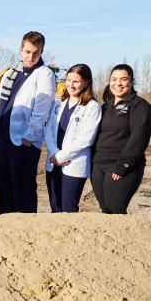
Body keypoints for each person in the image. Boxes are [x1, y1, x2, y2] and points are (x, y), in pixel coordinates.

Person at [0, 31, 55, 214]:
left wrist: (28, 139)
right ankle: (6, 227)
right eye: (27, 52)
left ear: (41, 52)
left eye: (36, 53)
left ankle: (25, 232)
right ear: (21, 50)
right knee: (4, 190)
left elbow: (41, 111)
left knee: (23, 190)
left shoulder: (44, 74)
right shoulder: (10, 73)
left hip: (24, 142)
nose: (31, 57)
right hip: (3, 139)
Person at [91, 64, 151, 214]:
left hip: (120, 166)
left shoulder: (139, 106)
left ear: (131, 81)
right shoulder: (105, 107)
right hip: (98, 165)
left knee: (115, 209)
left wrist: (123, 165)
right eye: (114, 79)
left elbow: (139, 138)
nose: (118, 83)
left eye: (123, 79)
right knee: (105, 209)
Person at [43, 64, 102, 213]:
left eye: (76, 81)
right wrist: (55, 153)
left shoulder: (92, 107)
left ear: (86, 83)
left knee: (68, 209)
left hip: (73, 164)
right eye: (68, 80)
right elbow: (48, 130)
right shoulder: (58, 104)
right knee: (55, 206)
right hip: (53, 161)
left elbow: (86, 139)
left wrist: (63, 156)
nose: (71, 85)